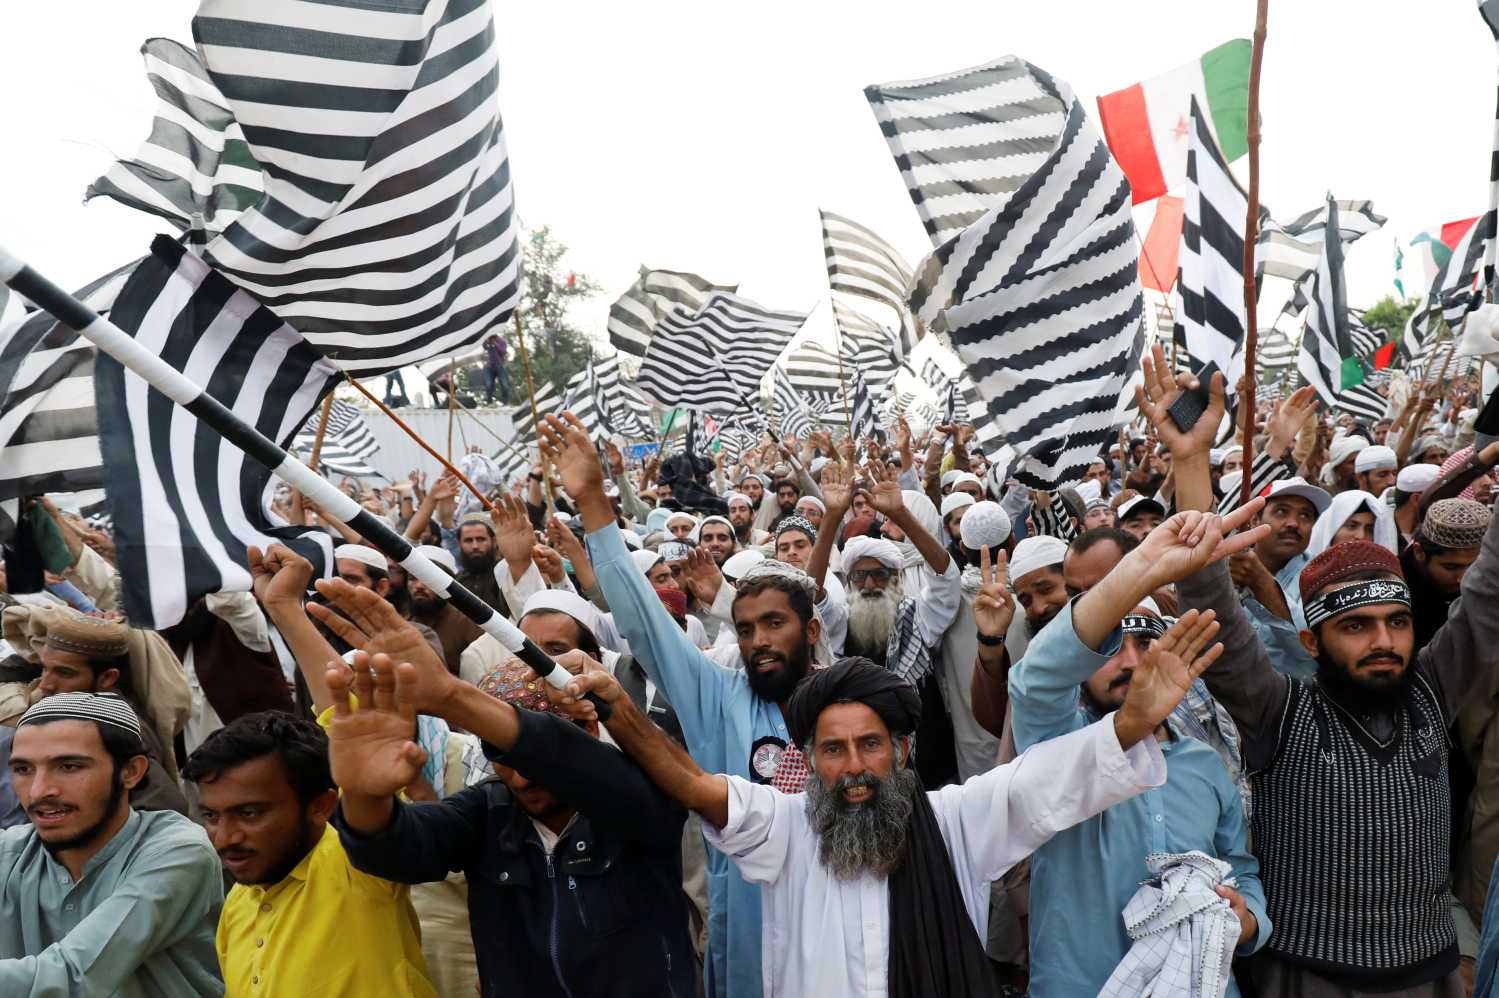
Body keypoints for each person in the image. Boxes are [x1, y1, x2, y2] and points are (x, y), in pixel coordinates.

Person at [552, 617, 1229, 998]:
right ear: (810, 761)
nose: (853, 768)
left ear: (902, 751)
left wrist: (1131, 721)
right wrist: (617, 707)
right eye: (834, 750)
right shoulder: (784, 829)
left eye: (870, 746)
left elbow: (1052, 777)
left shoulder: (958, 821)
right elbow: (689, 781)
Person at [1153, 347, 1499, 997]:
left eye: (1395, 622)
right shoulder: (1278, 708)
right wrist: (1191, 461)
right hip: (1303, 975)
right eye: (1355, 626)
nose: (1382, 641)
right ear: (1309, 641)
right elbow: (1208, 594)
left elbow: (1488, 594)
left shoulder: (1431, 691)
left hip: (1424, 973)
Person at [542, 413, 818, 998]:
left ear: (812, 629)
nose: (759, 641)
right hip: (746, 934)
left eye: (774, 623)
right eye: (744, 629)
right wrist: (594, 501)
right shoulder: (718, 695)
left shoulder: (848, 702)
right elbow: (643, 621)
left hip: (834, 917)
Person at [1010, 450, 1270, 996]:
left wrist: (1247, 922)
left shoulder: (1204, 763)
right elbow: (1033, 684)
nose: (1130, 662)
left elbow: (1239, 869)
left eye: (1145, 642)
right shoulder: (1056, 748)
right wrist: (1134, 575)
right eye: (1111, 648)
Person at [324, 634, 696, 998]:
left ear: (587, 731)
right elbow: (399, 846)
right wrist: (364, 796)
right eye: (501, 755)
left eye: (534, 756)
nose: (521, 777)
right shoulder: (486, 812)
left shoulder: (634, 800)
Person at [183, 711, 436, 997]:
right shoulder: (238, 903)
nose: (226, 837)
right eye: (211, 816)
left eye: (250, 813)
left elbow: (371, 801)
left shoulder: (360, 868)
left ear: (320, 806)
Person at [0, 692, 223, 995]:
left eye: (69, 767)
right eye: (24, 770)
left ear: (131, 772)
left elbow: (73, 977)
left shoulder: (176, 852)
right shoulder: (11, 853)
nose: (39, 791)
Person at [481, 333, 512, 405]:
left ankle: (505, 402)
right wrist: (486, 341)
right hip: (489, 367)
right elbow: (484, 347)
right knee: (488, 384)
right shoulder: (487, 341)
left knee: (505, 385)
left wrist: (495, 343)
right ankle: (489, 402)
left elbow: (503, 351)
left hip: (500, 366)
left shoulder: (502, 341)